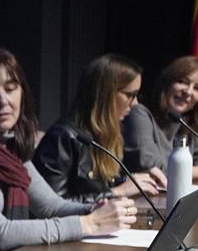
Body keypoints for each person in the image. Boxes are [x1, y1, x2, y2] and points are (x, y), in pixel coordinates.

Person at [0, 48, 136, 251]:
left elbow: (50, 207)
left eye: (10, 88)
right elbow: (0, 233)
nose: (3, 101)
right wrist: (90, 223)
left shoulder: (9, 149)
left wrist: (97, 209)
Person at [33, 53, 168, 203]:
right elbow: (51, 206)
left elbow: (97, 184)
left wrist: (132, 180)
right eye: (130, 95)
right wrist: (116, 192)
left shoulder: (106, 132)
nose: (135, 103)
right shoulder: (63, 137)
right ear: (105, 94)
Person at [122, 55, 198, 180]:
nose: (188, 92)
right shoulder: (138, 114)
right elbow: (152, 170)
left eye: (197, 88)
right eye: (182, 82)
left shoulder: (190, 123)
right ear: (167, 83)